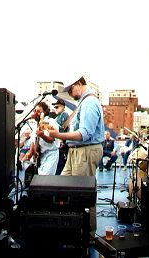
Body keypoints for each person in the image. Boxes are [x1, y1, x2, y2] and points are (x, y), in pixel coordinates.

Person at [48, 75, 104, 234]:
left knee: (83, 194)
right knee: (65, 186)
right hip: (77, 151)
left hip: (85, 150)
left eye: (71, 89)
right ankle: (71, 228)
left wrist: (58, 135)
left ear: (79, 84)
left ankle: (88, 233)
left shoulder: (89, 103)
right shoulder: (84, 103)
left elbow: (84, 134)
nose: (70, 94)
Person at [23, 102, 60, 176]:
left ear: (45, 112)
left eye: (39, 111)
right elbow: (34, 142)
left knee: (45, 179)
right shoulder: (35, 126)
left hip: (51, 154)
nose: (36, 113)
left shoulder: (49, 122)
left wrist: (42, 135)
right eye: (35, 111)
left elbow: (52, 140)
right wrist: (30, 154)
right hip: (41, 156)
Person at [52, 98, 70, 175]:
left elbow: (62, 129)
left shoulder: (64, 115)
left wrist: (61, 141)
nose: (55, 109)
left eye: (57, 107)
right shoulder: (57, 117)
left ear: (62, 107)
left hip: (62, 143)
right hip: (57, 143)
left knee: (60, 165)